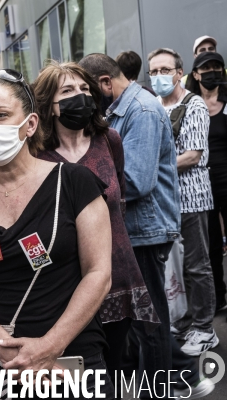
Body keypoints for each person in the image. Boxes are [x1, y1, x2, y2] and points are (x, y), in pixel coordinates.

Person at [0, 68, 114, 398]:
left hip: (71, 357)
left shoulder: (75, 183)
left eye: (0, 115)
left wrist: (51, 345)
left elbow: (99, 273)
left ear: (30, 124)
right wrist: (8, 351)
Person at [80, 53, 213, 398]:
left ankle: (165, 387)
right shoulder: (123, 108)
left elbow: (137, 180)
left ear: (106, 83)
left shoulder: (140, 111)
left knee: (148, 317)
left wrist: (83, 186)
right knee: (141, 315)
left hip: (145, 229)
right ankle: (184, 376)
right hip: (134, 228)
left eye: (87, 89)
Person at [33, 61, 159, 379]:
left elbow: (120, 198)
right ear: (50, 105)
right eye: (68, 91)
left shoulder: (110, 140)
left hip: (117, 275)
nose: (81, 96)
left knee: (115, 370)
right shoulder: (35, 156)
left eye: (84, 89)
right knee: (80, 375)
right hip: (65, 289)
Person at [148, 48, 218, 356]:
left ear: (180, 73)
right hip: (164, 201)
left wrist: (149, 168)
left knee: (197, 265)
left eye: (165, 70)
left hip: (191, 197)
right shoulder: (154, 107)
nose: (159, 76)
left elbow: (192, 155)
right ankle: (186, 320)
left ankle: (205, 328)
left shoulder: (195, 105)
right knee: (172, 268)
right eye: (153, 71)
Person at [185, 51, 227, 314]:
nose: (211, 72)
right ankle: (218, 299)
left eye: (216, 67)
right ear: (196, 74)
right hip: (202, 188)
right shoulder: (191, 105)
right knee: (210, 247)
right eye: (206, 68)